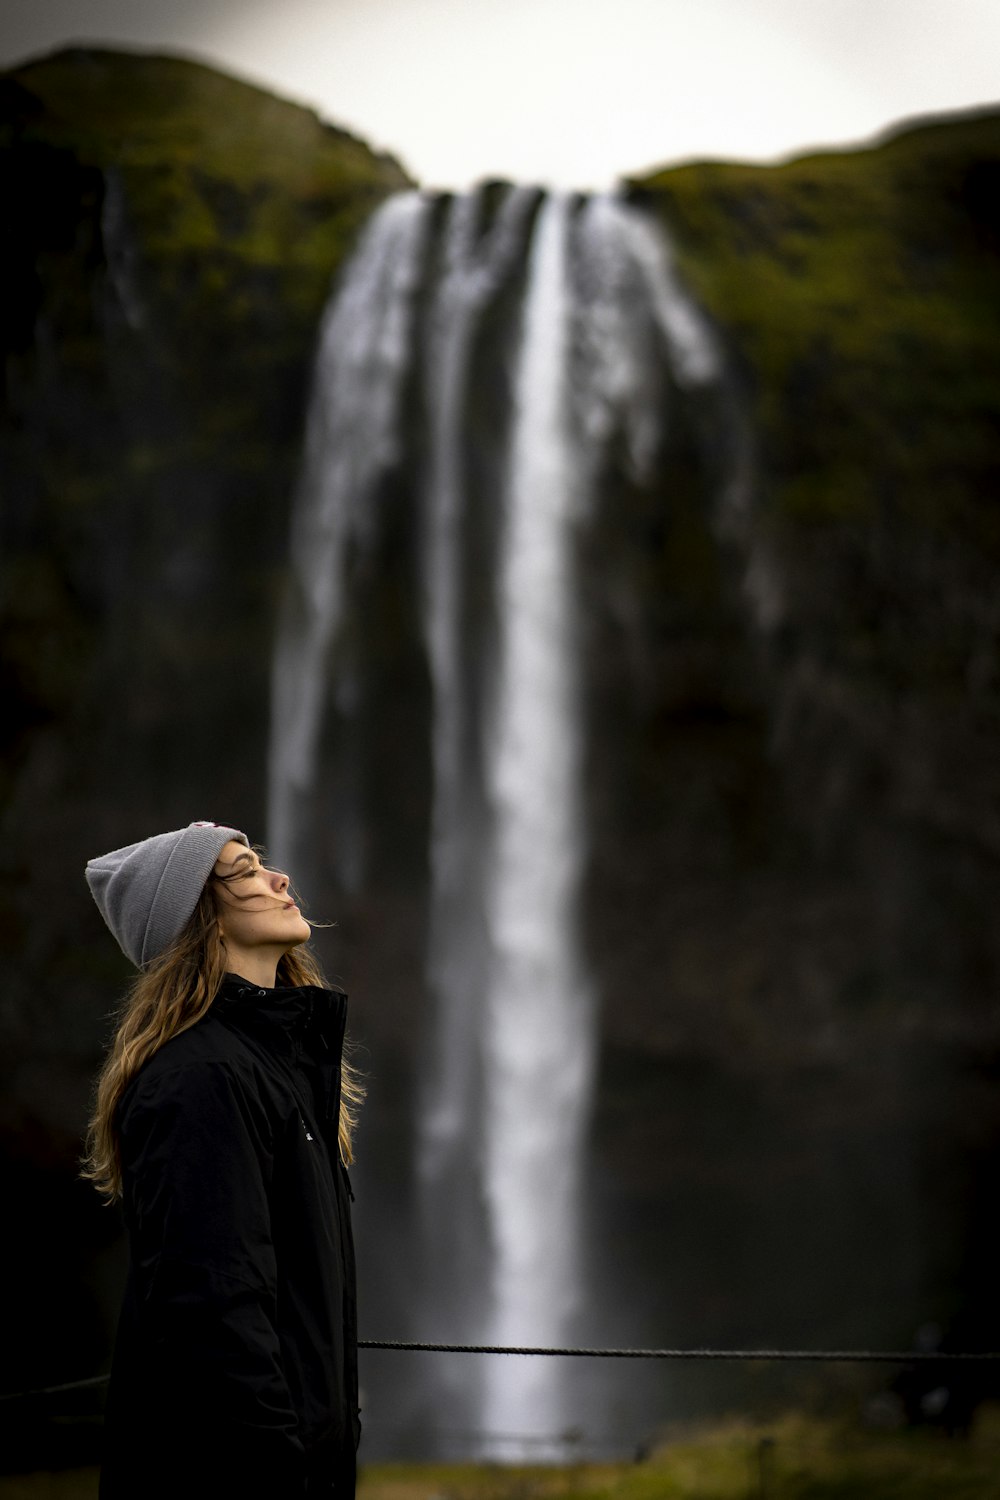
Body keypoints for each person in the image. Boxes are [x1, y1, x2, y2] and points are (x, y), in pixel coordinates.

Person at [82, 820, 363, 1499]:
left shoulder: (280, 1066)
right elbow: (214, 1313)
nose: (278, 878)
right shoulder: (200, 1080)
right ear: (198, 918)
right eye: (243, 871)